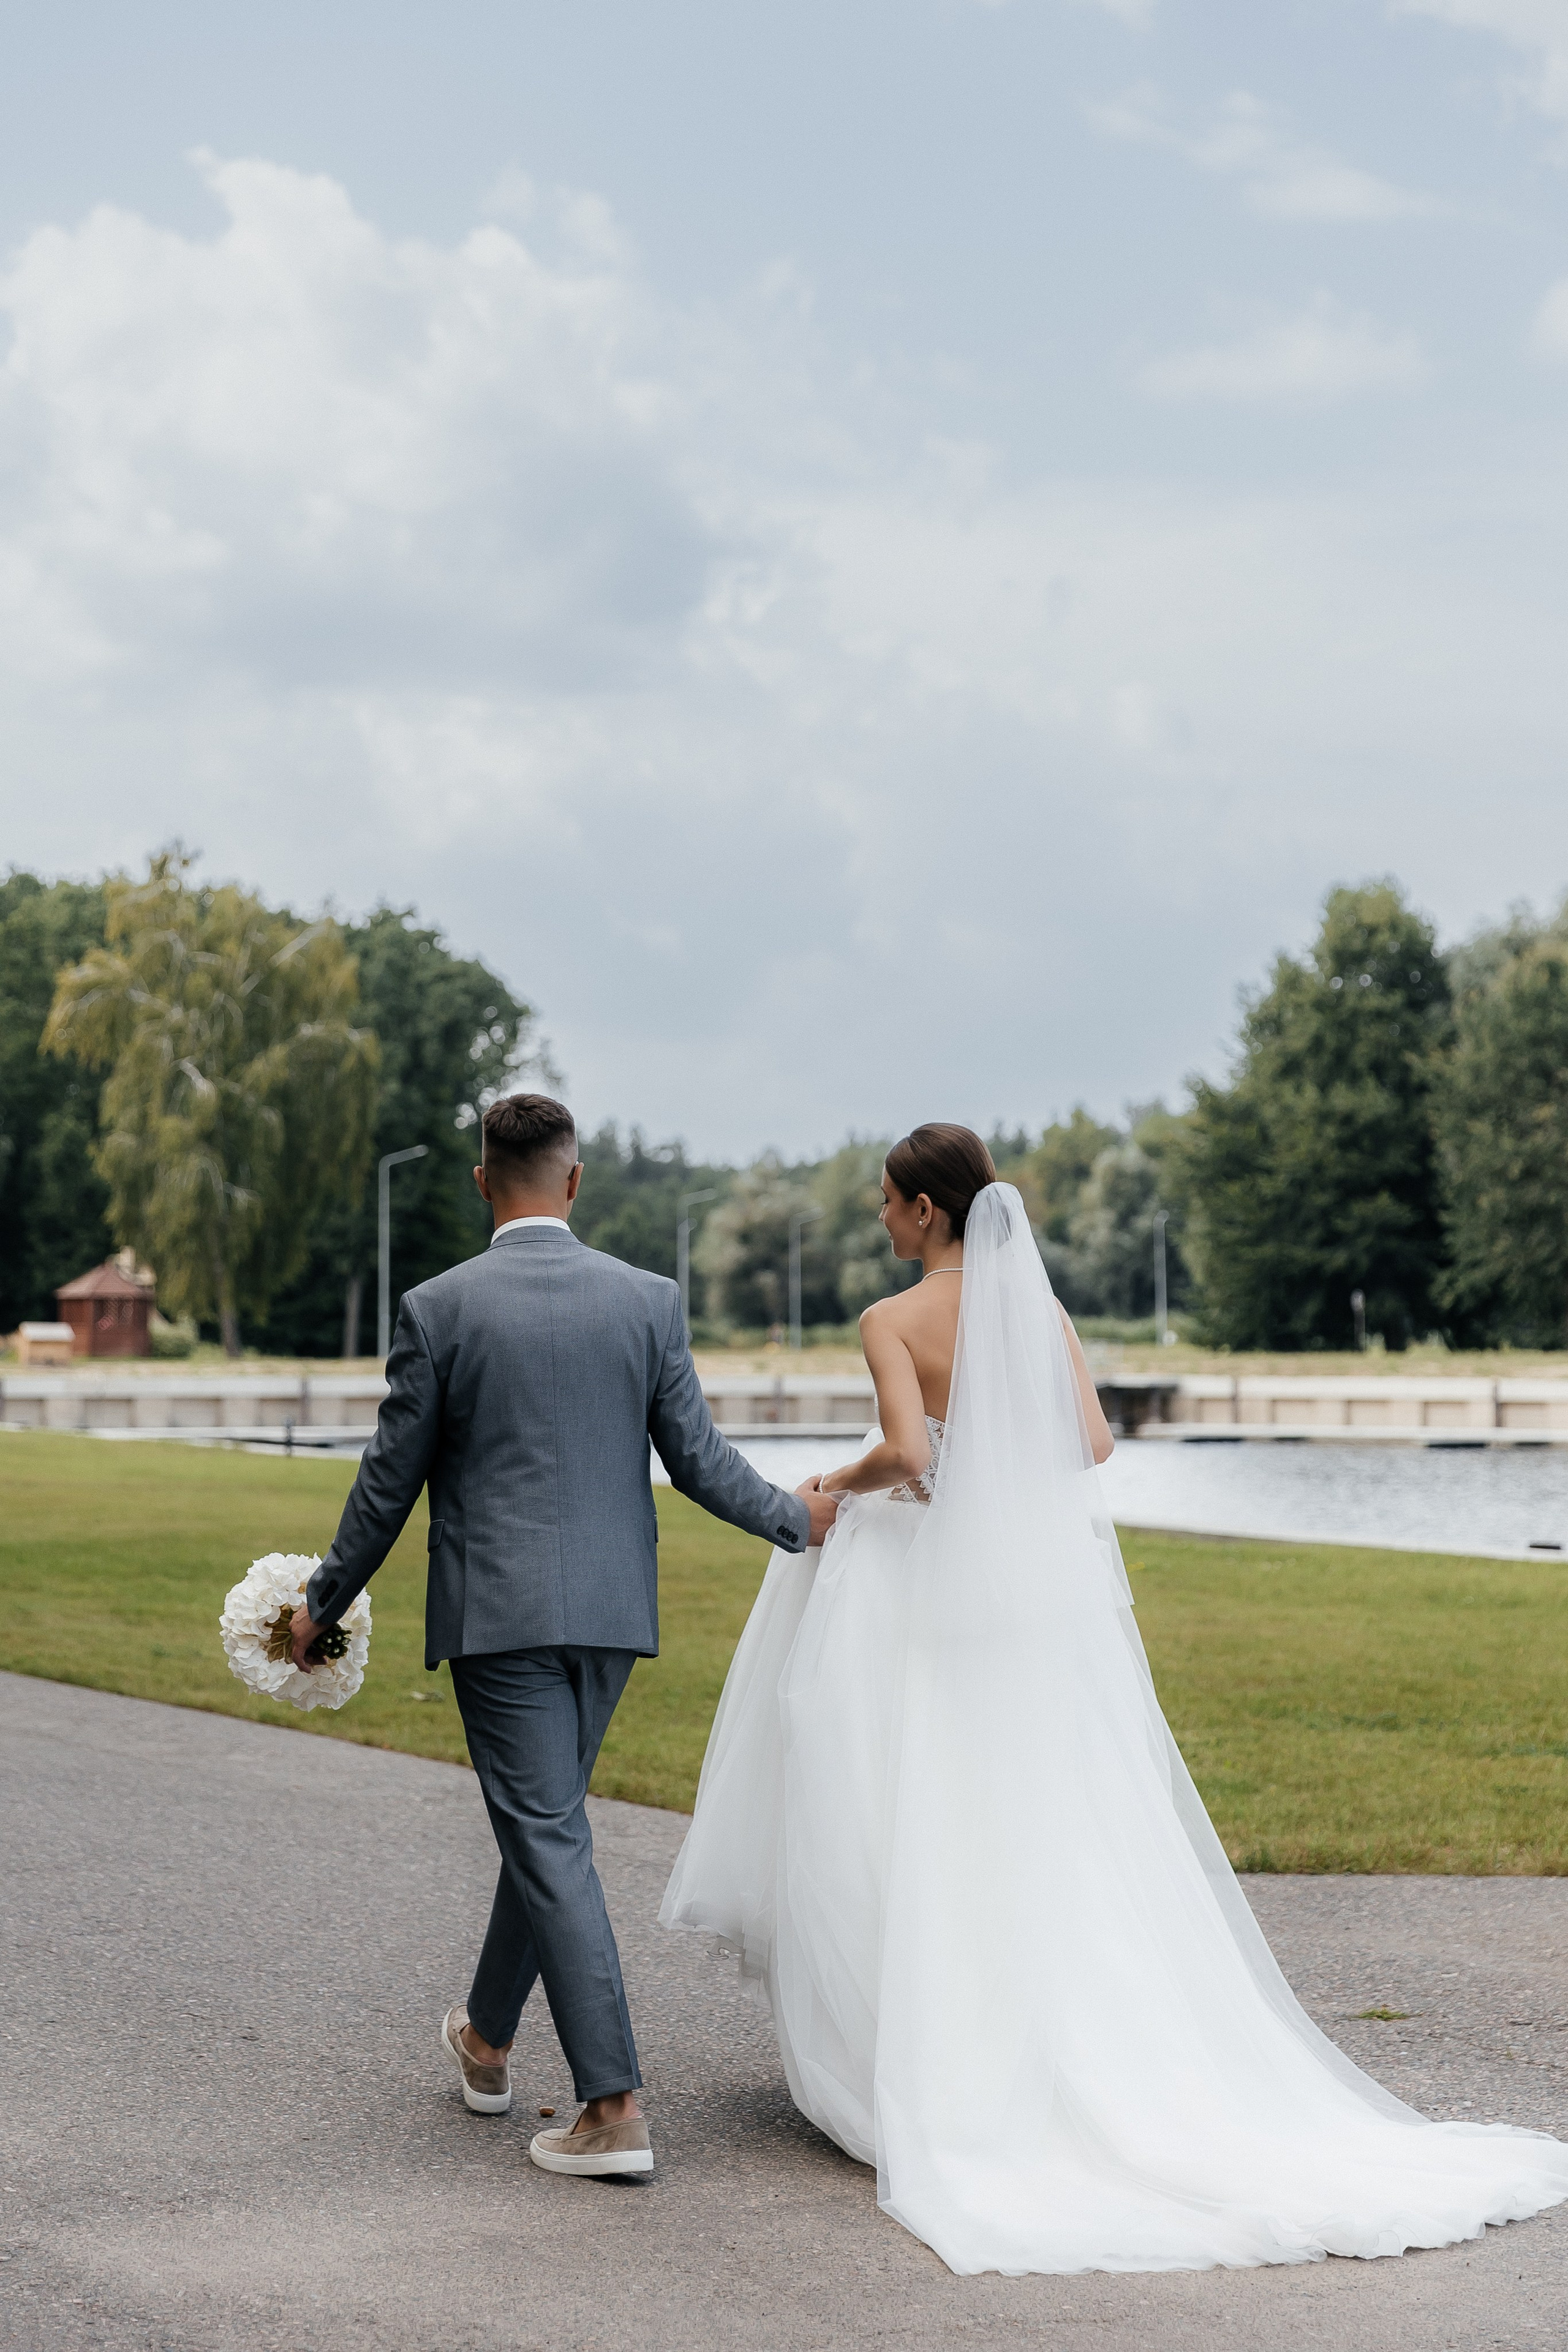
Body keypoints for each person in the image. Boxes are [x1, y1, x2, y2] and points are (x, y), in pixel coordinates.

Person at [661, 1121, 1568, 2274]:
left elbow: (902, 1449)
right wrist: (986, 1471)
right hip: (1022, 1609)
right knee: (1033, 1807)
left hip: (918, 1587)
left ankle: (922, 2043)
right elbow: (1086, 1442)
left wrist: (835, 1482)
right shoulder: (1036, 1313)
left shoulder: (889, 1322)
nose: (881, 1222)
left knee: (908, 1798)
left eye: (888, 1204)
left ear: (928, 1212)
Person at [289, 1091, 839, 2180]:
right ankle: (487, 2042)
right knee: (546, 1833)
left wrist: (324, 1597)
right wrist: (793, 1515)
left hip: (501, 1619)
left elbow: (387, 1481)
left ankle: (614, 2105)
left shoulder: (438, 1307)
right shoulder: (647, 1300)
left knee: (546, 1837)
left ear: (484, 1179)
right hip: (609, 1618)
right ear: (574, 1181)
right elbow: (697, 1460)